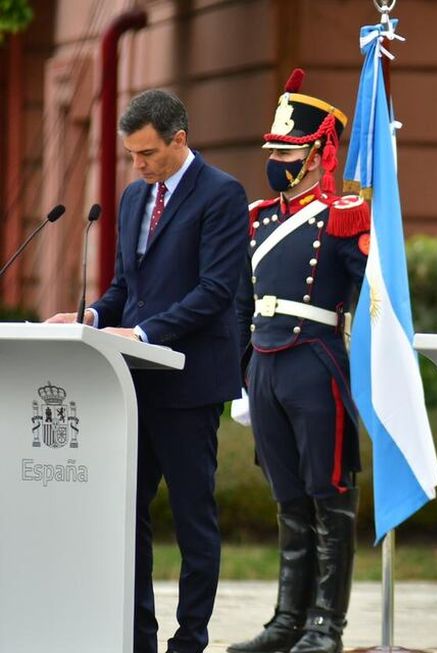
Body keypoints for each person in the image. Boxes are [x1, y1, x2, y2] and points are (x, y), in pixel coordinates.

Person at [46, 89, 249, 653]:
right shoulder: (135, 196)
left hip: (188, 380)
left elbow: (215, 291)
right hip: (131, 383)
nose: (138, 165)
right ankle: (138, 637)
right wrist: (89, 317)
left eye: (148, 153)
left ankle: (190, 639)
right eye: (132, 154)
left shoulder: (222, 194)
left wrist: (142, 333)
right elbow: (125, 288)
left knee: (192, 517)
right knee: (127, 514)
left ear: (179, 139)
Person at [229, 69, 369, 653]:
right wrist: (243, 370)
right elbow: (242, 300)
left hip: (314, 360)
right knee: (287, 498)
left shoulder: (343, 214)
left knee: (327, 494)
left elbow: (374, 296)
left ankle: (325, 624)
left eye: (287, 152)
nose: (276, 161)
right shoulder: (258, 216)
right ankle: (288, 620)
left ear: (317, 155)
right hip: (265, 365)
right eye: (274, 151)